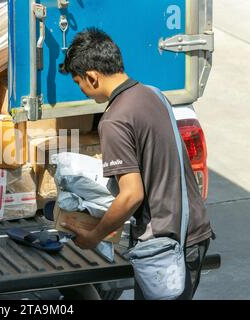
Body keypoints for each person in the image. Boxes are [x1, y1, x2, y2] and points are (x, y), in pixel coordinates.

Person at [59, 28, 213, 300]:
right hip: (193, 232)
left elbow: (132, 194)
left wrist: (95, 235)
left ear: (92, 77)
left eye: (78, 82)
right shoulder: (153, 94)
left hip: (166, 247)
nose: (81, 91)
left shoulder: (114, 119)